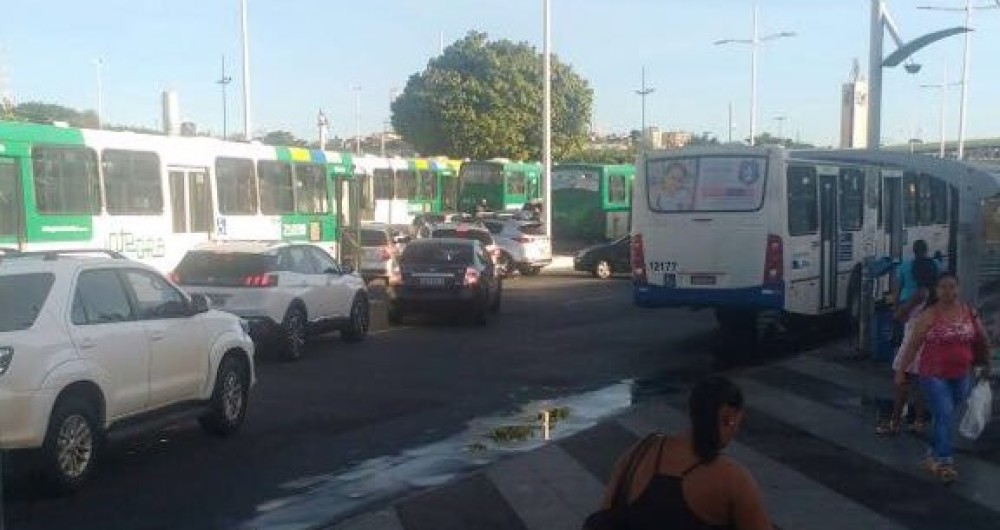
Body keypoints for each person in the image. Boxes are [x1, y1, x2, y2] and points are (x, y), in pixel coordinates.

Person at [598, 376, 771, 530]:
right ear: (728, 418)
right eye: (737, 423)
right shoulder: (732, 478)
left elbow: (605, 514)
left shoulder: (641, 450)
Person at [895, 273, 993, 483]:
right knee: (945, 413)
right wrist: (902, 371)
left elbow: (982, 339)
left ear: (959, 289)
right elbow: (913, 345)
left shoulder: (969, 312)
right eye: (943, 287)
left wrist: (986, 363)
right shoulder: (929, 315)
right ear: (937, 291)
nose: (948, 292)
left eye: (952, 287)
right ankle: (945, 461)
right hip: (933, 374)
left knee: (946, 414)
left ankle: (932, 452)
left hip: (961, 374)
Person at [877, 240, 939, 435]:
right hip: (929, 341)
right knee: (920, 383)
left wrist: (897, 311)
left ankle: (894, 422)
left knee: (902, 382)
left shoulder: (920, 293)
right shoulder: (936, 295)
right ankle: (918, 422)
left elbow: (899, 315)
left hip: (913, 340)